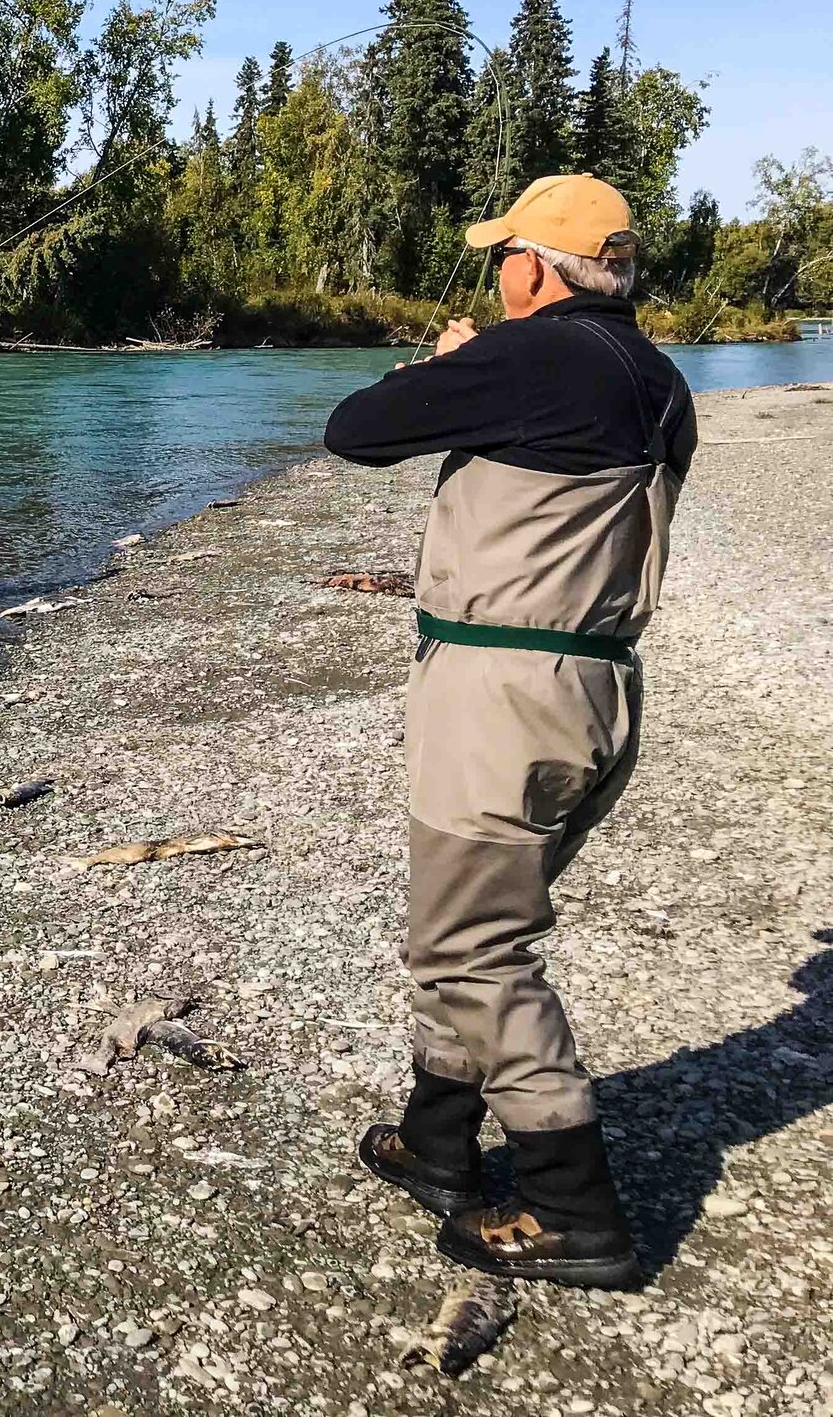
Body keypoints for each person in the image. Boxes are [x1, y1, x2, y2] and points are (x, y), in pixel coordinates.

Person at [324, 173, 694, 1288]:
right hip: (595, 694)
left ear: (534, 267)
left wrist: (448, 364)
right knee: (469, 925)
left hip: (503, 698)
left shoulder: (534, 356)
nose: (495, 274)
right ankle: (436, 1147)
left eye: (502, 258)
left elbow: (354, 431)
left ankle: (569, 1207)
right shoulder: (660, 378)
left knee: (472, 947)